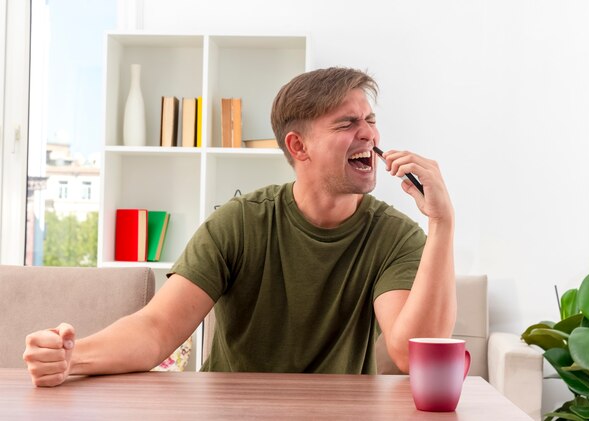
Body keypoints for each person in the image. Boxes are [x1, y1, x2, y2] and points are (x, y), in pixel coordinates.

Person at [23, 67, 456, 387]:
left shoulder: (394, 236)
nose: (369, 135)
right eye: (347, 123)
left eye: (371, 120)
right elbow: (156, 329)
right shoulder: (240, 222)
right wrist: (73, 359)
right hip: (232, 412)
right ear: (298, 145)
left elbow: (410, 353)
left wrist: (441, 222)